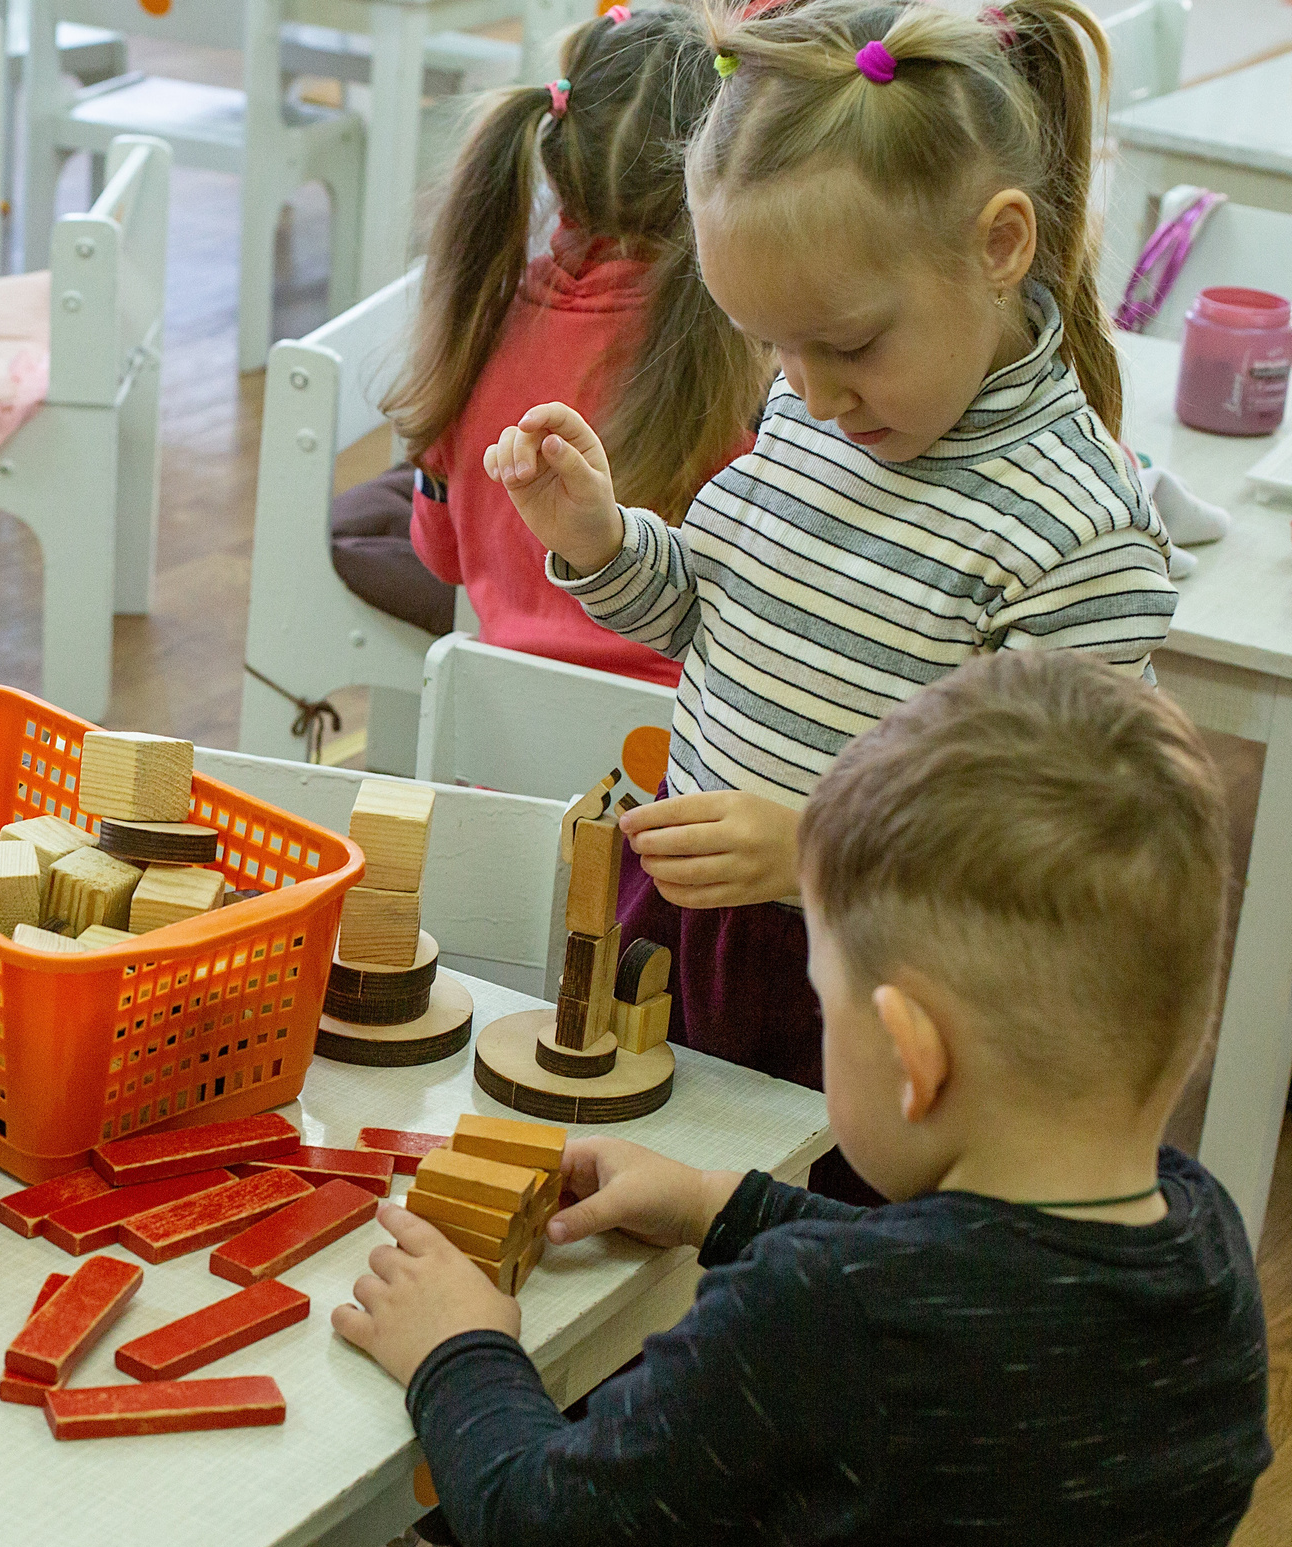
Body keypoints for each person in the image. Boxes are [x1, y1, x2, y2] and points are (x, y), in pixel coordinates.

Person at [297, 648, 1269, 1547]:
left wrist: (459, 1347)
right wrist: (726, 1203)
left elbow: (548, 1537)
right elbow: (958, 1286)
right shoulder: (1203, 1241)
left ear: (914, 1055)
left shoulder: (819, 1321)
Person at [482, 0, 1175, 1190]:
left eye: (848, 344)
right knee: (639, 1229)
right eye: (772, 345)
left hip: (879, 991)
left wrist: (817, 849)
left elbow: (1067, 859)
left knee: (797, 1283)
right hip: (692, 926)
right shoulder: (812, 407)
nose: (812, 389)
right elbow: (715, 617)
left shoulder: (1077, 531)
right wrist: (602, 546)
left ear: (1000, 243)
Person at [384, 1, 767, 686]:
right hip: (681, 766)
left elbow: (439, 557)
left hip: (490, 741)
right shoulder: (750, 349)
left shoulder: (477, 319)